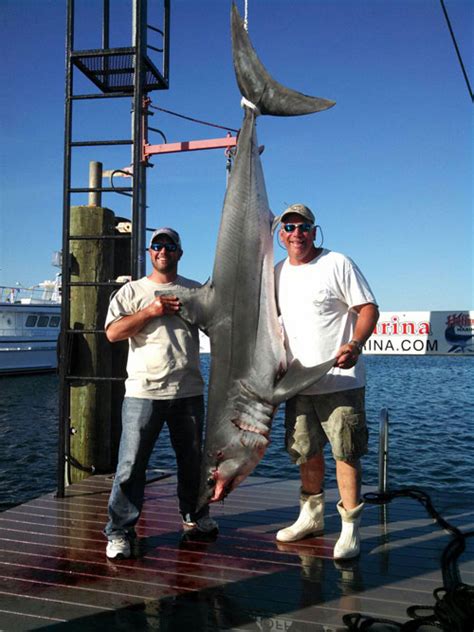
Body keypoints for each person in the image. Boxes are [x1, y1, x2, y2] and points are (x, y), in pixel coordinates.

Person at [104, 227, 218, 560]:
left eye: (170, 245)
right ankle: (119, 530)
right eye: (158, 245)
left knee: (193, 463)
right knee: (131, 465)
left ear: (180, 253)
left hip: (189, 390)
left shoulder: (194, 290)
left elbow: (217, 327)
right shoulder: (131, 292)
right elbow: (112, 333)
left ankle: (194, 515)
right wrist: (151, 311)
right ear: (150, 253)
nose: (163, 250)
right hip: (143, 392)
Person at [274, 204, 379, 560]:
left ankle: (350, 528)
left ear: (314, 232)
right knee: (306, 452)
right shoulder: (275, 273)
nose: (297, 233)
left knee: (346, 454)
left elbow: (368, 308)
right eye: (289, 227)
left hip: (340, 380)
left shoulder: (338, 263)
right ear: (280, 235)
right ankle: (311, 517)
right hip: (298, 383)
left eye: (304, 227)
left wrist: (355, 343)